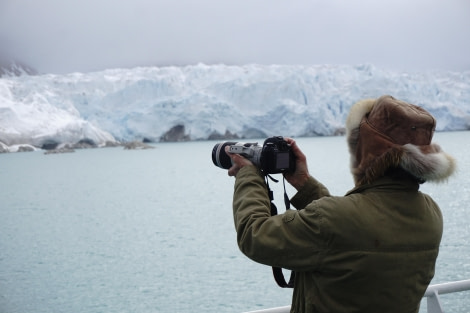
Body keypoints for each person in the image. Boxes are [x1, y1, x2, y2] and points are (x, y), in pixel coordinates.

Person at [225, 95, 456, 313]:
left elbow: (254, 235)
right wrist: (304, 183)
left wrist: (248, 175)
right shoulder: (430, 214)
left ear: (368, 153)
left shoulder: (337, 220)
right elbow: (349, 231)